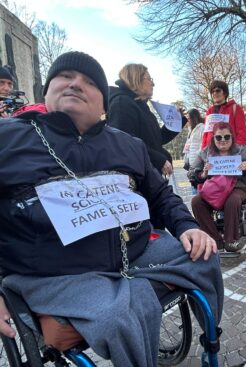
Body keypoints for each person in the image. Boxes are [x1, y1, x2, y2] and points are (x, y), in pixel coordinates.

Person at [0, 51, 223, 367]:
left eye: (90, 81)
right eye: (65, 76)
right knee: (117, 315)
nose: (76, 84)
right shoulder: (7, 138)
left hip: (135, 250)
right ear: (46, 92)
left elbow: (161, 196)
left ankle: (210, 344)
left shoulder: (127, 144)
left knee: (205, 254)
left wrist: (187, 226)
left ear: (103, 104)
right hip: (55, 271)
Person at [190, 122, 246, 253]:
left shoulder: (243, 151)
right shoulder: (205, 153)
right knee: (196, 201)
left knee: (233, 200)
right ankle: (215, 240)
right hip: (215, 190)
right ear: (213, 138)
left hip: (239, 187)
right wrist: (203, 174)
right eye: (219, 137)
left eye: (227, 137)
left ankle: (231, 241)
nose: (223, 140)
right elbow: (191, 172)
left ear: (232, 137)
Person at [108, 63, 186, 177]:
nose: (153, 83)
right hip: (136, 177)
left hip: (150, 174)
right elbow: (125, 142)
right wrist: (158, 160)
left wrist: (178, 120)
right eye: (149, 79)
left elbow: (157, 140)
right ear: (136, 79)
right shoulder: (122, 103)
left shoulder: (142, 106)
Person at [201, 80, 246, 148]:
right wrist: (203, 149)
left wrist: (238, 150)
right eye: (212, 92)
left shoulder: (235, 108)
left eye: (218, 90)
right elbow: (206, 133)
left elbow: (241, 131)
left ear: (225, 93)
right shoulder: (209, 111)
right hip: (211, 151)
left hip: (230, 150)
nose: (214, 93)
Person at [183, 108, 205, 194]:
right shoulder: (190, 129)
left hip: (199, 162)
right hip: (191, 162)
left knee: (198, 184)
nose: (188, 121)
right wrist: (186, 157)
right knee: (193, 182)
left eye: (189, 118)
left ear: (194, 117)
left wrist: (198, 156)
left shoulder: (202, 127)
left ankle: (199, 201)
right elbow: (189, 145)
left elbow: (204, 145)